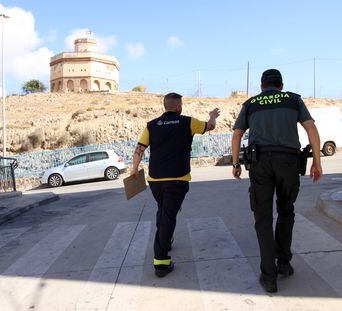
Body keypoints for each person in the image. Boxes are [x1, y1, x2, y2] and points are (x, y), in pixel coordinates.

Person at [231, 69, 323, 293]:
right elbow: (310, 127)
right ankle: (283, 264)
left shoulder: (251, 103)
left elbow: (237, 134)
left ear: (262, 86)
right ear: (281, 85)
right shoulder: (293, 100)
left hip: (260, 163)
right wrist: (317, 162)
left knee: (262, 218)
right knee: (285, 211)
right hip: (288, 162)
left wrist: (235, 163)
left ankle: (268, 276)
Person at [131, 92, 220, 277]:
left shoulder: (152, 125)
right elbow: (210, 126)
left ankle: (166, 241)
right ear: (179, 107)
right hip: (177, 180)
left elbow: (139, 148)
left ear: (165, 107)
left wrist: (134, 169)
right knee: (168, 218)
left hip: (155, 181)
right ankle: (161, 262)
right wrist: (212, 116)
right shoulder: (188, 122)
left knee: (164, 211)